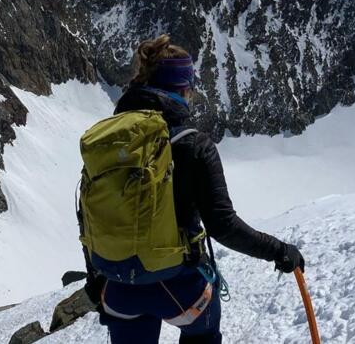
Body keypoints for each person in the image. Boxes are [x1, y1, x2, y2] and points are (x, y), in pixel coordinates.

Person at [81, 34, 305, 344]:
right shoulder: (194, 144)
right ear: (183, 87)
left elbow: (89, 211)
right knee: (203, 332)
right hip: (179, 288)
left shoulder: (113, 139)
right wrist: (279, 250)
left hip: (118, 288)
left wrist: (96, 276)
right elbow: (222, 225)